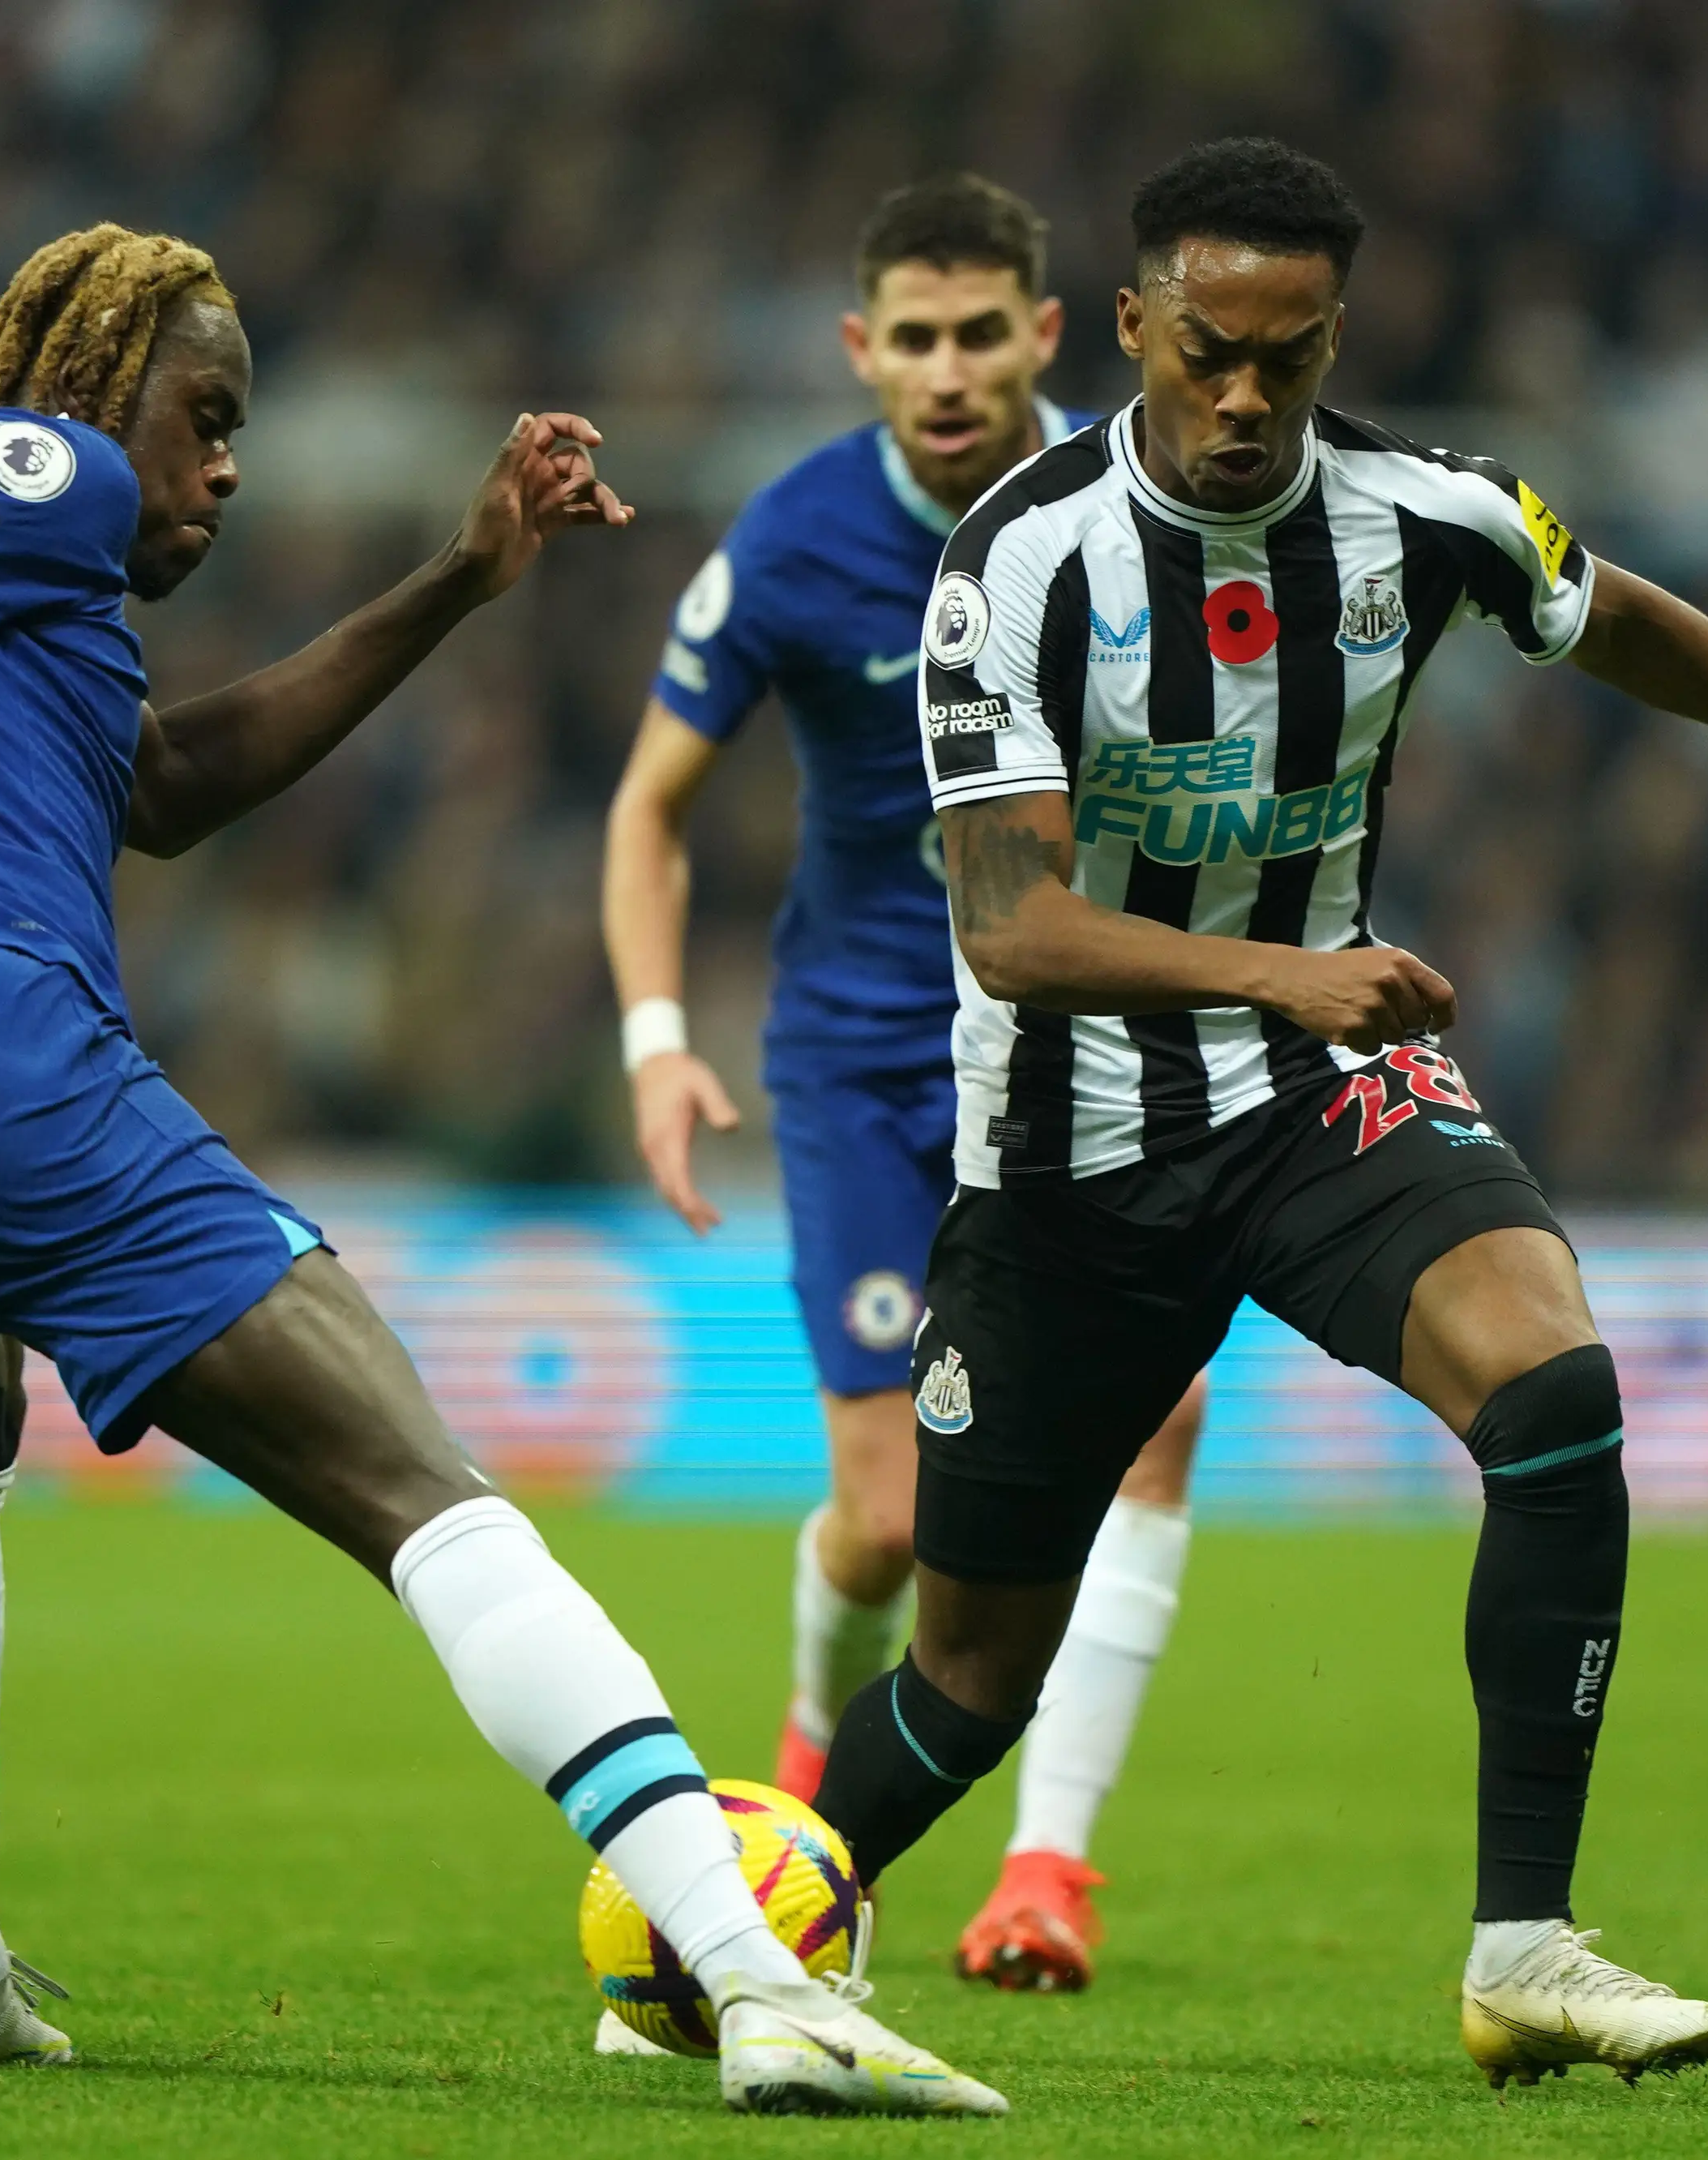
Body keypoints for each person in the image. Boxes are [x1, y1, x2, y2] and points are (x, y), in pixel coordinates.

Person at [0, 222, 1002, 2119]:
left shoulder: (21, 599)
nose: (224, 464)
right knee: (420, 1488)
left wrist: (457, 583)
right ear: (98, 393)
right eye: (206, 416)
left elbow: (163, 786)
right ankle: (757, 1979)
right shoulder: (40, 463)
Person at [812, 139, 1708, 2089]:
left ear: (1339, 337)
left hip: (1320, 1093)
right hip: (1073, 1155)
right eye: (1211, 353)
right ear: (1142, 326)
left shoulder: (1436, 512)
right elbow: (1010, 929)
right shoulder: (1016, 562)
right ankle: (726, 1936)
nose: (1247, 398)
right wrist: (1285, 971)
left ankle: (1525, 1946)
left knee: (1554, 1392)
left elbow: (1613, 609)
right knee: (971, 1680)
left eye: (1292, 358)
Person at [601, 173, 1205, 1997]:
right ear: (864, 353)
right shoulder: (790, 545)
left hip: (1089, 1031)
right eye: (912, 341)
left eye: (981, 333)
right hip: (870, 1052)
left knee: (1154, 1430)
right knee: (885, 1523)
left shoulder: (1151, 504)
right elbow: (649, 809)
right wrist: (654, 1043)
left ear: (1045, 331)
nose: (948, 373)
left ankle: (1047, 1874)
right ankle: (808, 1767)